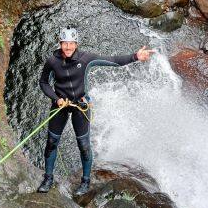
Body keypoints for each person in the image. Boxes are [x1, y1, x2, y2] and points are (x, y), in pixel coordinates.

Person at [38, 26, 154, 196]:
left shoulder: (86, 59)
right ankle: (48, 178)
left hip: (81, 106)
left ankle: (85, 181)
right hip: (60, 105)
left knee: (84, 146)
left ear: (76, 44)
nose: (68, 47)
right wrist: (57, 99)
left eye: (71, 43)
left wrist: (135, 56)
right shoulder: (52, 62)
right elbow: (44, 83)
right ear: (60, 44)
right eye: (65, 43)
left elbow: (113, 61)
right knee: (51, 142)